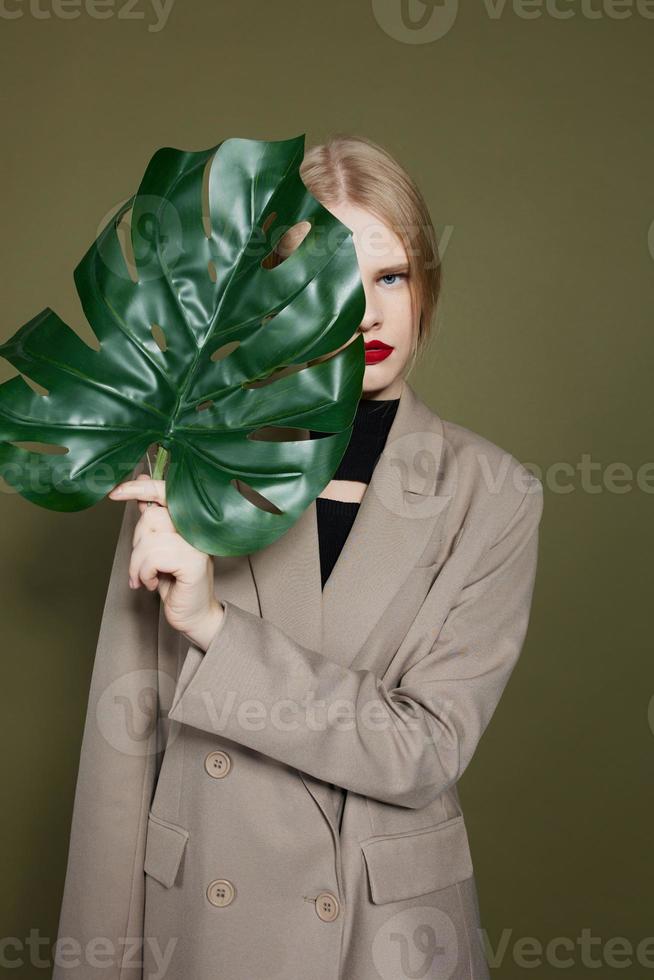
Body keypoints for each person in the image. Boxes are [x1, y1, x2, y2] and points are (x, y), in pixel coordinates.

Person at [52, 134, 544, 980]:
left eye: (392, 276)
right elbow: (120, 748)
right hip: (206, 922)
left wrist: (214, 626)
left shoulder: (493, 493)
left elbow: (420, 751)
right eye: (332, 279)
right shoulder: (183, 461)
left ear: (426, 285)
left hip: (382, 937)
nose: (370, 313)